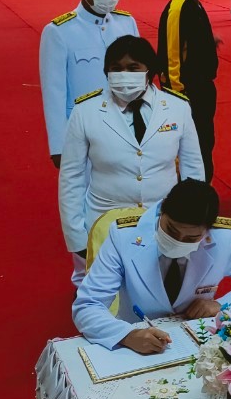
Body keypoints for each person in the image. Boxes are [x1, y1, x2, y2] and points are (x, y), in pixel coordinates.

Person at [72, 180, 231, 353]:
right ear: (161, 211)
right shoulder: (124, 237)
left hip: (198, 340)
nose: (178, 241)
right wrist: (126, 335)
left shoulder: (223, 238)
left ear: (208, 231)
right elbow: (87, 305)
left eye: (191, 238)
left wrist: (222, 305)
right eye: (171, 231)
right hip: (137, 342)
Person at [58, 35, 205, 284]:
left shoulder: (177, 107)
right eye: (116, 68)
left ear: (149, 70)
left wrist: (193, 219)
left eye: (133, 68)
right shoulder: (85, 111)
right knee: (104, 293)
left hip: (163, 220)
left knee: (160, 291)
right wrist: (77, 237)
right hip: (104, 221)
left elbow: (193, 169)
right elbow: (71, 178)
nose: (123, 74)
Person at [39, 0, 139, 168]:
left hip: (127, 126)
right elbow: (54, 93)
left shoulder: (126, 23)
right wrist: (58, 146)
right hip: (84, 132)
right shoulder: (59, 32)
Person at [157, 0, 220, 180]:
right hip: (187, 93)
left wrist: (209, 44)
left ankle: (202, 186)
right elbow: (172, 56)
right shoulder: (178, 8)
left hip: (202, 89)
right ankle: (190, 189)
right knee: (191, 147)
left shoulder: (195, 5)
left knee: (204, 142)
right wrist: (178, 98)